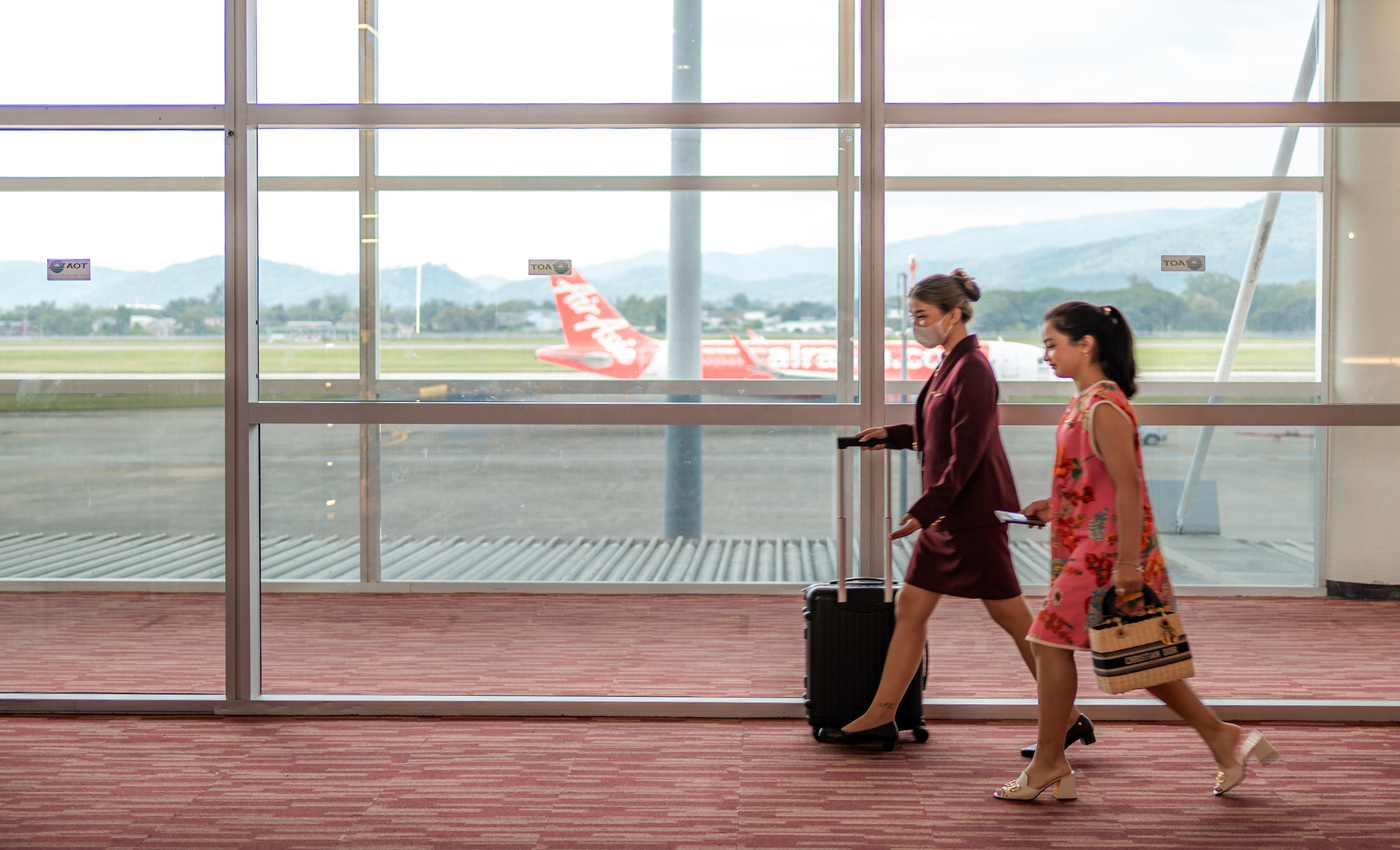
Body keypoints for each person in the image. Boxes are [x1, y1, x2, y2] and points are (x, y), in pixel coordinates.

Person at [994, 302, 1280, 802]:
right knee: (1133, 652)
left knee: (1048, 641)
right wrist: (1055, 506)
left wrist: (1128, 563)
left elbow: (1129, 488)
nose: (1046, 354)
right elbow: (1096, 479)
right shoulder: (1085, 401)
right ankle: (1221, 736)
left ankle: (1049, 762)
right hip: (1091, 544)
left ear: (1086, 345)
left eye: (1052, 344)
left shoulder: (1104, 404)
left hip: (1106, 552)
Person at [816, 269, 1079, 752]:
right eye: (913, 316)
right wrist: (895, 435)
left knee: (1014, 619)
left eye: (922, 316)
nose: (916, 325)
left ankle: (1069, 718)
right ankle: (881, 715)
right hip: (949, 515)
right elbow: (941, 430)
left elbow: (967, 452)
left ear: (953, 315)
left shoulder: (972, 369)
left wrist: (924, 509)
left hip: (970, 516)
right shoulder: (950, 365)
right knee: (912, 609)